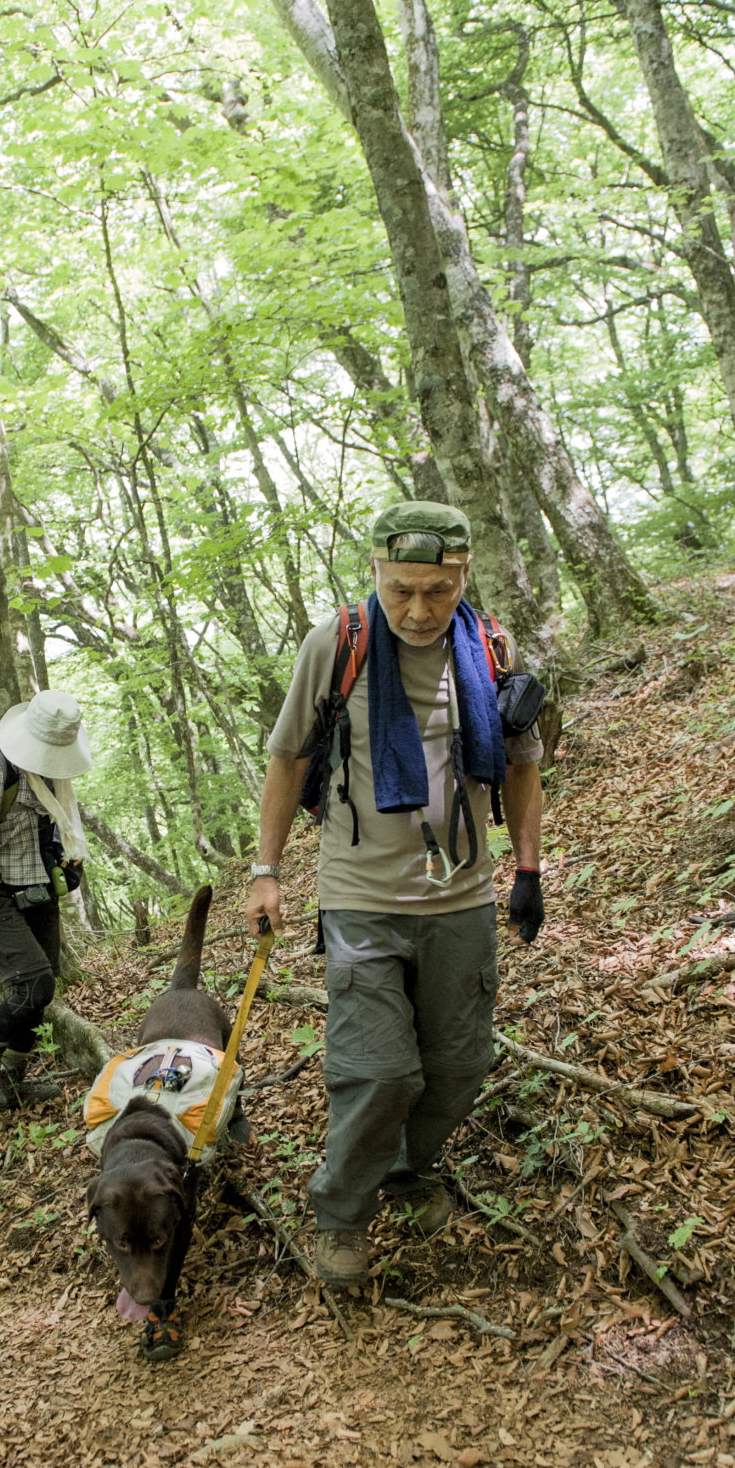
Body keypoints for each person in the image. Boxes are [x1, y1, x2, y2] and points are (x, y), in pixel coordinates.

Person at [245, 500, 545, 1287]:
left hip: (462, 895)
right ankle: (342, 1215)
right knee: (377, 1070)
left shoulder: (490, 646)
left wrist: (528, 870)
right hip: (361, 896)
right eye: (400, 589)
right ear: (375, 572)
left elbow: (521, 764)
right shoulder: (335, 644)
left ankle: (412, 1170)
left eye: (437, 591)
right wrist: (267, 870)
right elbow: (287, 758)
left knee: (460, 1062)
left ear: (465, 576)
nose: (418, 609)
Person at [0, 689, 91, 1114]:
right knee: (33, 984)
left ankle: (13, 1077)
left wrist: (66, 859)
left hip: (33, 881)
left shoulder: (51, 771)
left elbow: (52, 820)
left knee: (44, 990)